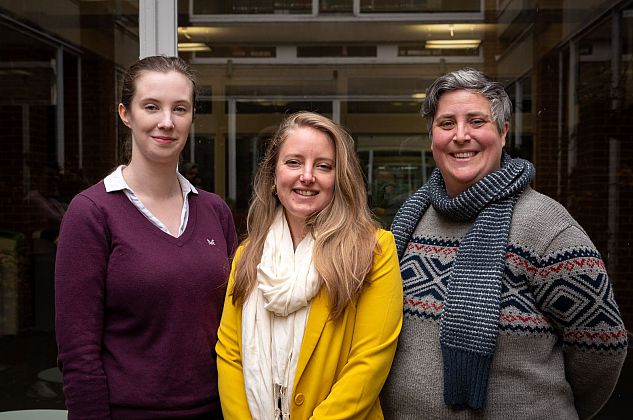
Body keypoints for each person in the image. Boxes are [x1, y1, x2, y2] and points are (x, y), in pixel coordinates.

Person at [380, 68, 627, 419]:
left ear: (503, 131)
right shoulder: (410, 219)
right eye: (446, 123)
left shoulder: (548, 228)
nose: (460, 136)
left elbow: (602, 348)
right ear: (432, 135)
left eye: (476, 121)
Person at [55, 56, 237, 419]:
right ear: (125, 113)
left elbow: (236, 327)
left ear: (191, 117)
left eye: (180, 109)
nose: (166, 122)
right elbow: (79, 353)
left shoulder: (215, 211)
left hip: (217, 411)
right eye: (151, 106)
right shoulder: (92, 212)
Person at [216, 111, 403, 419]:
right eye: (293, 162)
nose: (307, 176)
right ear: (274, 176)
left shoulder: (374, 250)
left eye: (323, 166)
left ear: (339, 179)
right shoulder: (248, 256)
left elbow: (368, 365)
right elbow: (229, 355)